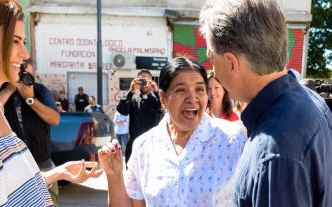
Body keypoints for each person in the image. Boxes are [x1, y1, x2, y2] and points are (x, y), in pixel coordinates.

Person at [0, 1, 102, 206]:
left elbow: (0, 191)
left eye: (24, 41)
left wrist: (55, 174)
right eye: (15, 41)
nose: (25, 53)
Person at [199, 0, 332, 206]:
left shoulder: (274, 151)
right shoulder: (309, 100)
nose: (212, 68)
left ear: (231, 62)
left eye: (211, 57)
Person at [98, 57, 247, 206]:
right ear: (163, 99)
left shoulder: (233, 140)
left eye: (200, 89)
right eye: (181, 90)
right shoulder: (144, 147)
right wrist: (114, 175)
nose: (192, 98)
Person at [0, 58, 62, 205]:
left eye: (28, 74)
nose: (25, 78)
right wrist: (9, 89)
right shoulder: (1, 89)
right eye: (21, 74)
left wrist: (30, 99)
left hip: (42, 161)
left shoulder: (40, 91)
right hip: (13, 165)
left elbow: (55, 119)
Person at [116, 69, 163, 164]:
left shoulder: (157, 101)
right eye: (141, 80)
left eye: (147, 80)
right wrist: (131, 91)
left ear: (152, 81)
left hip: (153, 146)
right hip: (134, 146)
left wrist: (157, 91)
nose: (144, 82)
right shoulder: (132, 99)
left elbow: (165, 109)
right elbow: (122, 110)